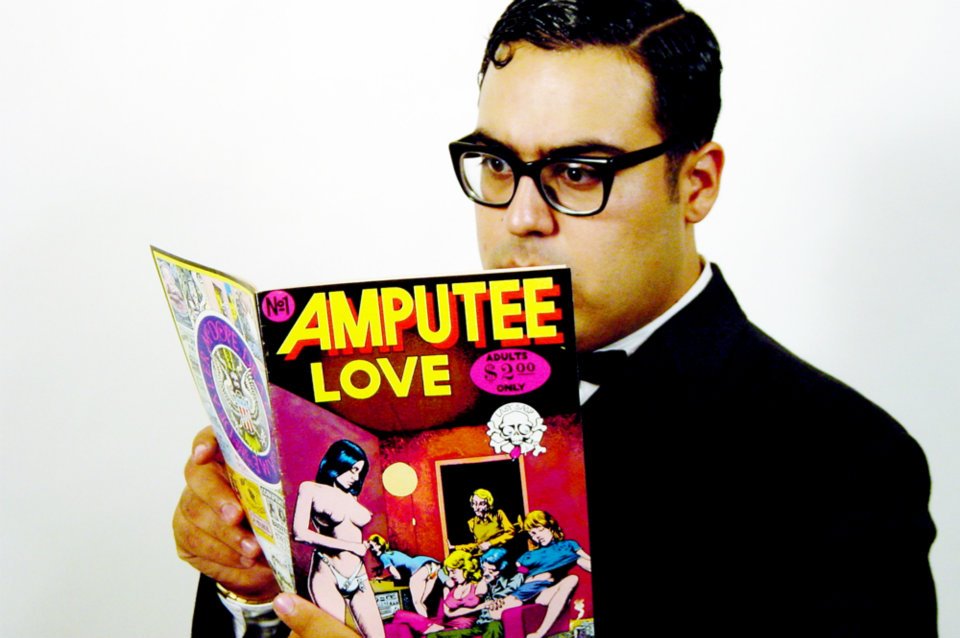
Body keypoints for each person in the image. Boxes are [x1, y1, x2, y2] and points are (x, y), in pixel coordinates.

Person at [174, 1, 937, 636]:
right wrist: (251, 582)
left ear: (697, 184)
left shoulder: (846, 462)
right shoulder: (377, 396)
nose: (521, 218)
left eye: (577, 173)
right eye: (498, 164)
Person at [291, 440, 384, 638]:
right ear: (339, 462)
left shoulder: (352, 497)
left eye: (359, 472)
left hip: (358, 575)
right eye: (353, 470)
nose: (356, 477)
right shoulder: (310, 489)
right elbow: (300, 533)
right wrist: (350, 546)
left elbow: (348, 529)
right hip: (327, 573)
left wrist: (361, 546)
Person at [485, 511, 590, 638]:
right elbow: (517, 575)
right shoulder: (528, 555)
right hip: (526, 590)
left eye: (540, 530)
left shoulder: (568, 545)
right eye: (532, 533)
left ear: (550, 527)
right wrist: (502, 594)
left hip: (546, 591)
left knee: (572, 579)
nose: (537, 536)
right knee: (494, 613)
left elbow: (586, 559)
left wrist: (578, 560)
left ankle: (540, 633)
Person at [390, 550, 486, 635]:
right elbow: (448, 613)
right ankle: (429, 626)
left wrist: (482, 606)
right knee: (399, 615)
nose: (451, 575)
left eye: (453, 571)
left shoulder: (478, 585)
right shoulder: (448, 588)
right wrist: (480, 606)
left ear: (465, 569)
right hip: (444, 625)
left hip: (461, 628)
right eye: (449, 572)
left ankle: (429, 627)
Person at [367, 534, 442, 617]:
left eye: (372, 546)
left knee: (417, 603)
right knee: (421, 602)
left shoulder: (383, 557)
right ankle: (428, 621)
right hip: (432, 566)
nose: (371, 549)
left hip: (421, 568)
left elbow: (397, 576)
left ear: (378, 546)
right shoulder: (392, 553)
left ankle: (427, 624)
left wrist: (386, 580)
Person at [449, 489, 516, 557]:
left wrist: (490, 543)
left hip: (501, 551)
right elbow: (477, 545)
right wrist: (455, 547)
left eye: (481, 504)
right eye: (474, 504)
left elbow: (510, 532)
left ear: (489, 505)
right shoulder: (472, 523)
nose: (476, 508)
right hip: (483, 555)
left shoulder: (498, 514)